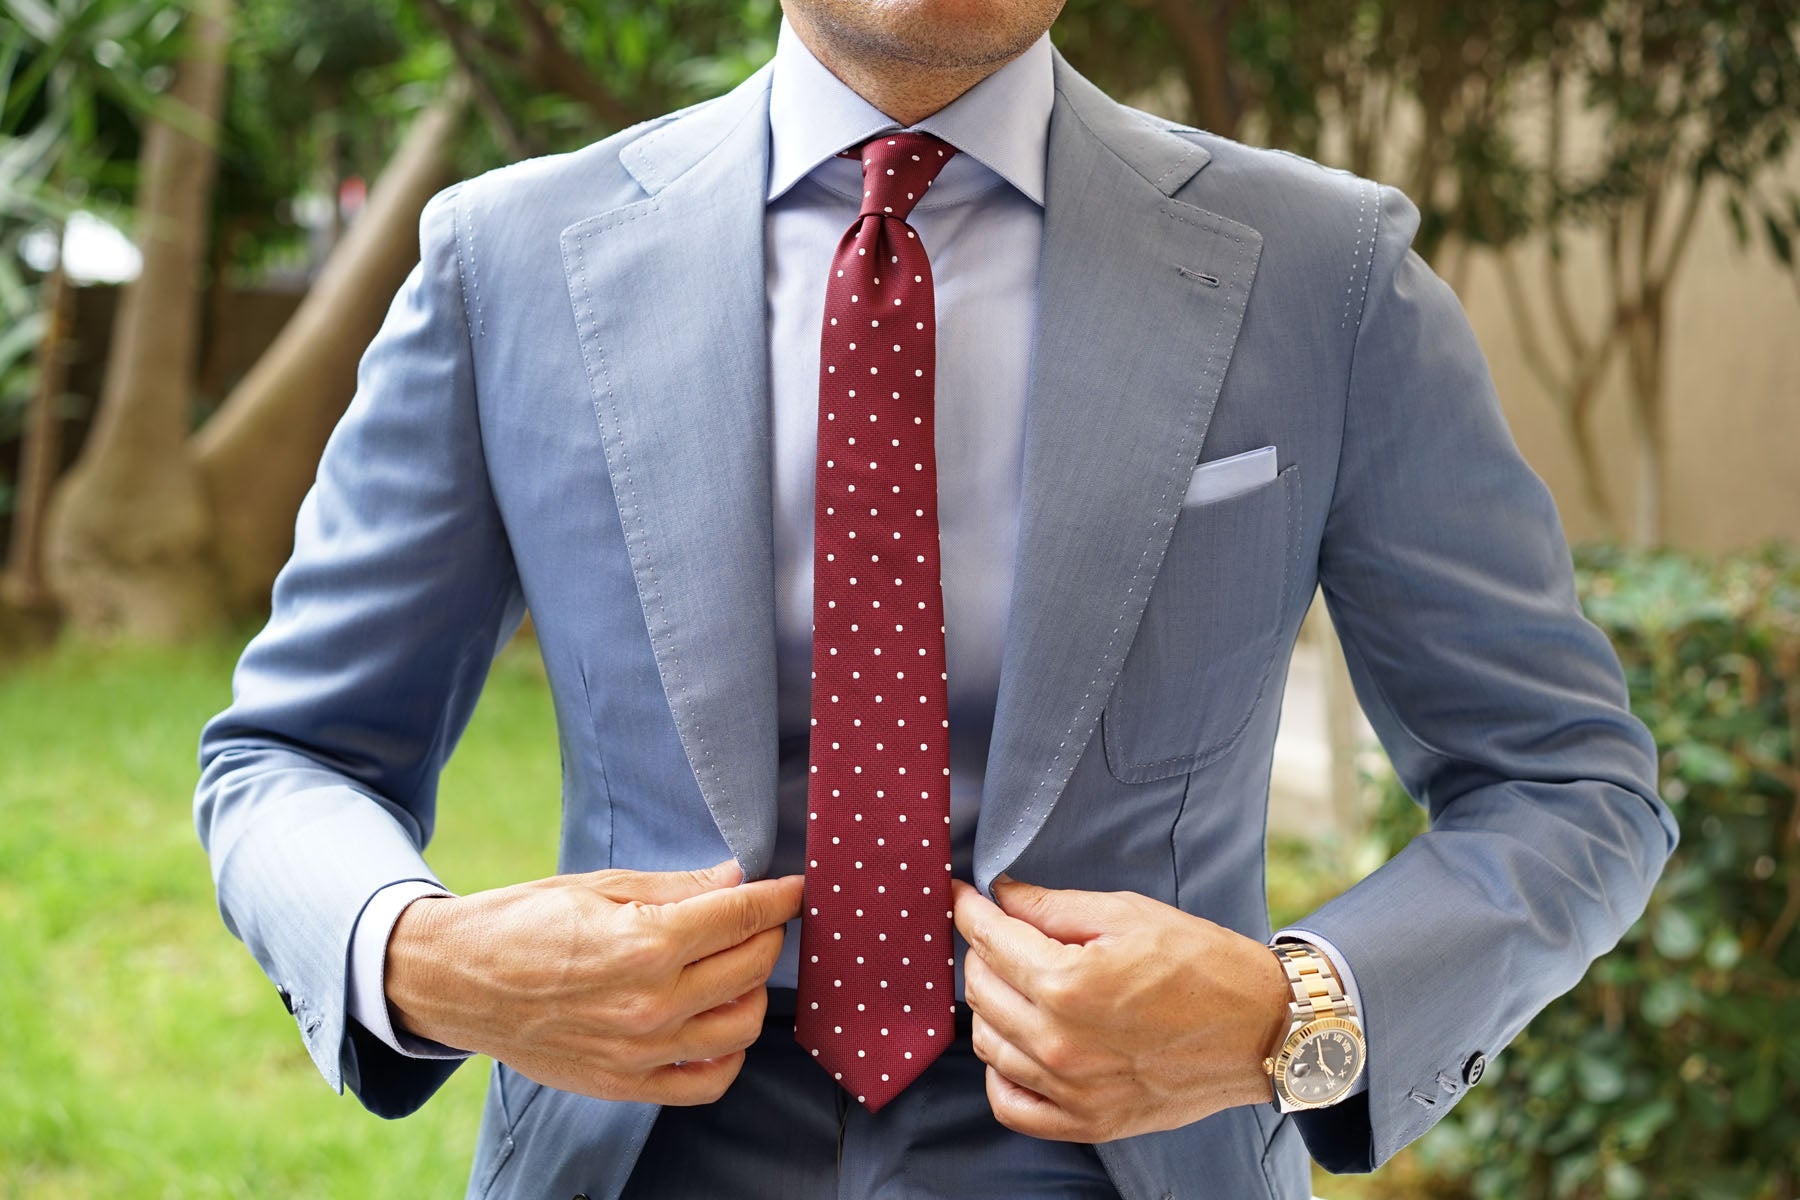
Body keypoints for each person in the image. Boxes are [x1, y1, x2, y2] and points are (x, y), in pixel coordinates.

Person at [194, 2, 1676, 1197]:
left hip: (1131, 1156)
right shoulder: (503, 260)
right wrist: (422, 958)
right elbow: (289, 758)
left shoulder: (1326, 275)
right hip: (632, 1144)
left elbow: (1569, 785)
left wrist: (1297, 1016)